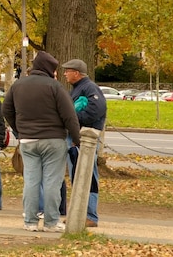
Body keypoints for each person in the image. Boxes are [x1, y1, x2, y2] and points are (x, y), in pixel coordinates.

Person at [3, 51, 80, 232]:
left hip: (28, 140)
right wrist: (77, 139)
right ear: (48, 69)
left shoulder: (18, 85)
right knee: (52, 181)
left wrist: (18, 130)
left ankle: (30, 221)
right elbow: (69, 116)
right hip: (53, 140)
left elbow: (6, 109)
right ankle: (51, 221)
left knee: (31, 181)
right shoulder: (55, 87)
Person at [62, 58, 106, 227]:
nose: (65, 74)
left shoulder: (89, 88)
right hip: (76, 138)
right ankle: (79, 213)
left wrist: (73, 121)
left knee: (87, 176)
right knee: (76, 176)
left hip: (83, 139)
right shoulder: (78, 89)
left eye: (68, 71)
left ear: (77, 73)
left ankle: (90, 215)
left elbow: (97, 109)